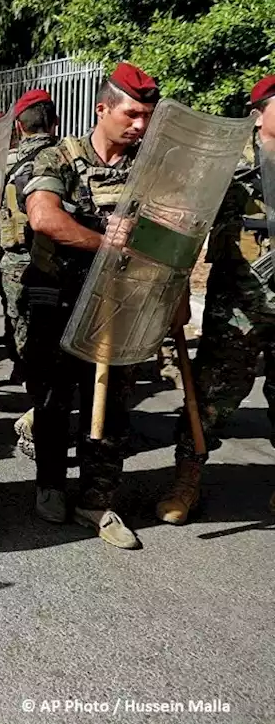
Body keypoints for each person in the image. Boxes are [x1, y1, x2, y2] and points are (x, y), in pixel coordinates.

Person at [23, 62, 159, 549]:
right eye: (132, 114)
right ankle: (50, 484)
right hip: (59, 300)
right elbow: (43, 217)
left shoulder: (148, 170)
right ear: (103, 108)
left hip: (121, 306)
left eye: (147, 116)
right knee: (53, 400)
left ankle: (98, 500)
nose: (140, 125)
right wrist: (106, 243)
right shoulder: (58, 158)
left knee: (113, 407)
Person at [157, 74, 275, 524]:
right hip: (237, 308)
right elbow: (182, 225)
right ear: (257, 113)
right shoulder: (227, 163)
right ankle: (186, 480)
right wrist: (174, 288)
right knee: (210, 399)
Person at [0, 89, 61, 458]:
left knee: (29, 341)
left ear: (19, 128)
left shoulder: (4, 164)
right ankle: (42, 415)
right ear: (54, 123)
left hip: (16, 267)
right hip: (62, 265)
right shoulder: (65, 159)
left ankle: (38, 412)